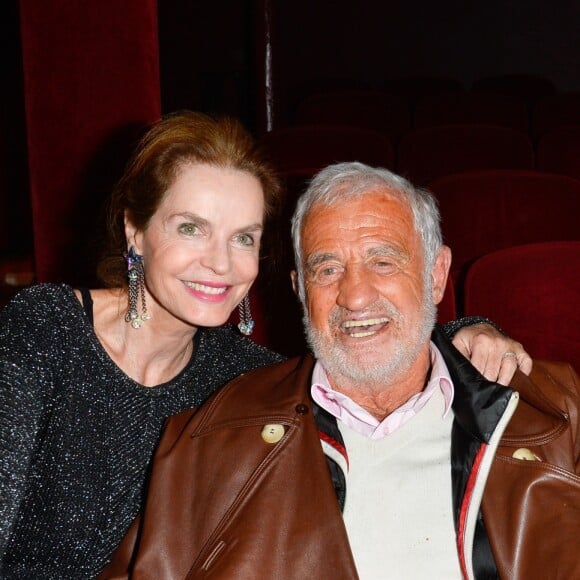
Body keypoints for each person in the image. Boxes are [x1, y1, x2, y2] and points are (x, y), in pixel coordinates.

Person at [0, 110, 527, 578]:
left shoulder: (240, 376)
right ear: (135, 231)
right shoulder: (48, 329)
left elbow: (364, 339)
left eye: (243, 237)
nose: (220, 262)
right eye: (191, 228)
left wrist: (464, 331)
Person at [102, 161, 579, 580]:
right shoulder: (214, 434)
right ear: (299, 290)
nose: (354, 296)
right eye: (326, 269)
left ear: (436, 274)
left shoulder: (554, 413)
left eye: (383, 261)